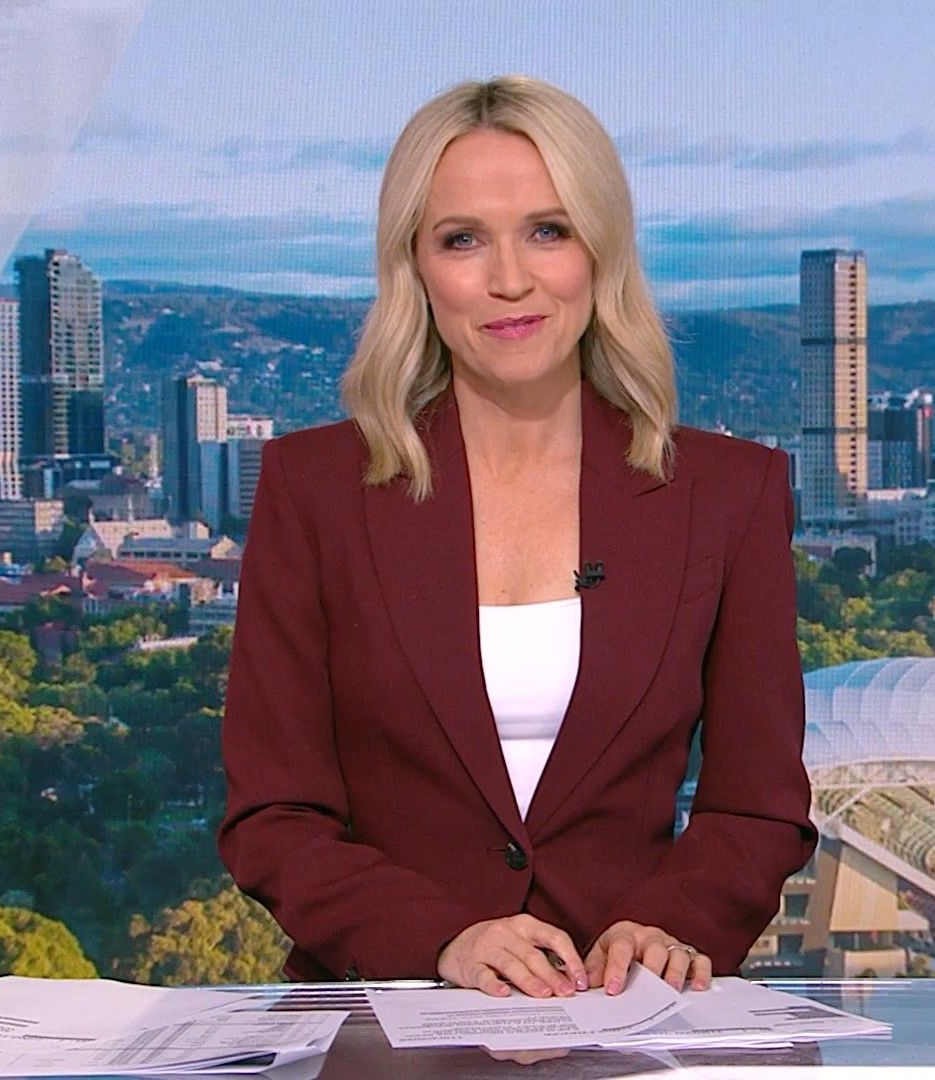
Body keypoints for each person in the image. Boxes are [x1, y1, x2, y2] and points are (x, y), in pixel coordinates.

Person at [217, 75, 815, 1001]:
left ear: (600, 251)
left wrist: (671, 927)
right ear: (415, 266)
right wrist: (439, 940)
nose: (508, 280)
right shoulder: (316, 489)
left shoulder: (730, 494)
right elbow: (274, 813)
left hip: (626, 1015)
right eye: (462, 239)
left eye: (548, 230)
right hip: (395, 1015)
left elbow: (759, 806)